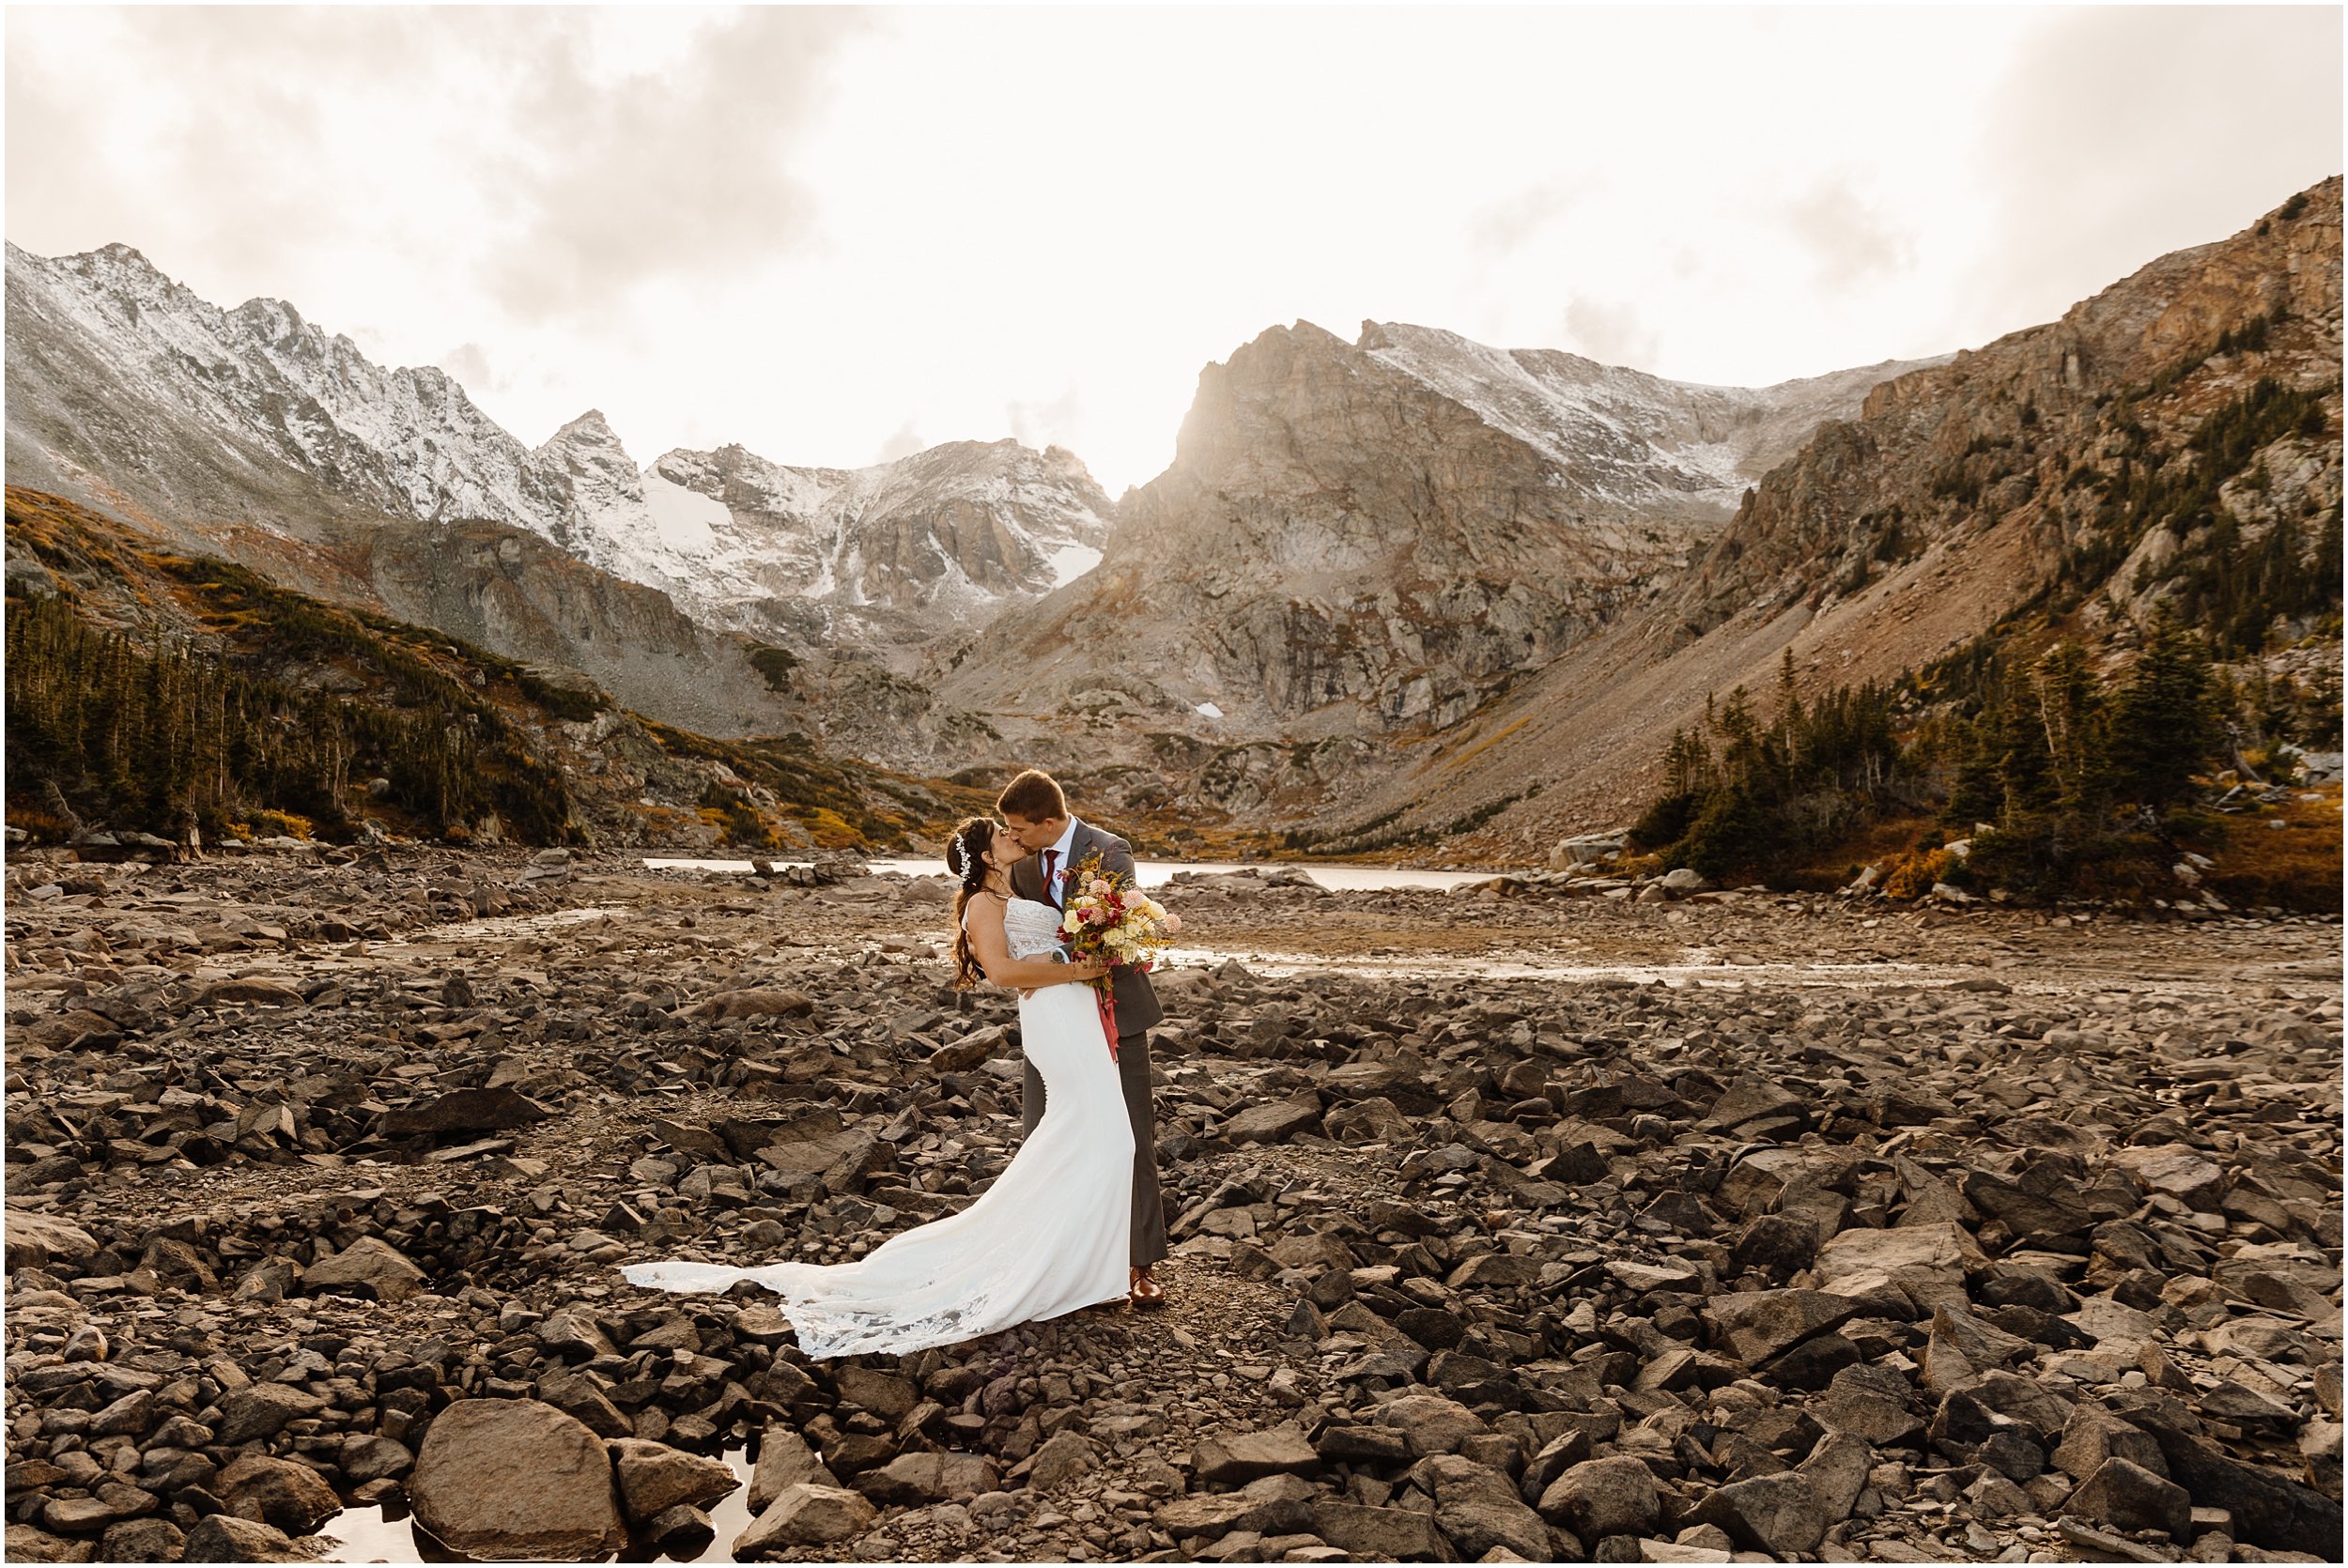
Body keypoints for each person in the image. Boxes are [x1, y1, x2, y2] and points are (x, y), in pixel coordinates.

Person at [622, 815, 1130, 1359]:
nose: (1012, 835)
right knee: (1109, 1137)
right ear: (984, 854)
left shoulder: (1019, 884)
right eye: (1000, 834)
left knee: (1084, 1137)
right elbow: (1002, 973)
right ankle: (1079, 1273)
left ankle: (1077, 1267)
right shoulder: (982, 905)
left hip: (1075, 1013)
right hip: (1056, 1017)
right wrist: (1079, 972)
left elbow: (1048, 942)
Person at [996, 768, 1170, 1309]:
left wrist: (1075, 960)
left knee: (1130, 1133)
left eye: (1021, 828)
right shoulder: (1019, 863)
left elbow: (1114, 927)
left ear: (1050, 821)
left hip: (1115, 1008)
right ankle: (1057, 1258)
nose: (1015, 837)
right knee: (1044, 1132)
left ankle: (1138, 1263)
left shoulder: (1110, 850)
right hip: (1053, 1014)